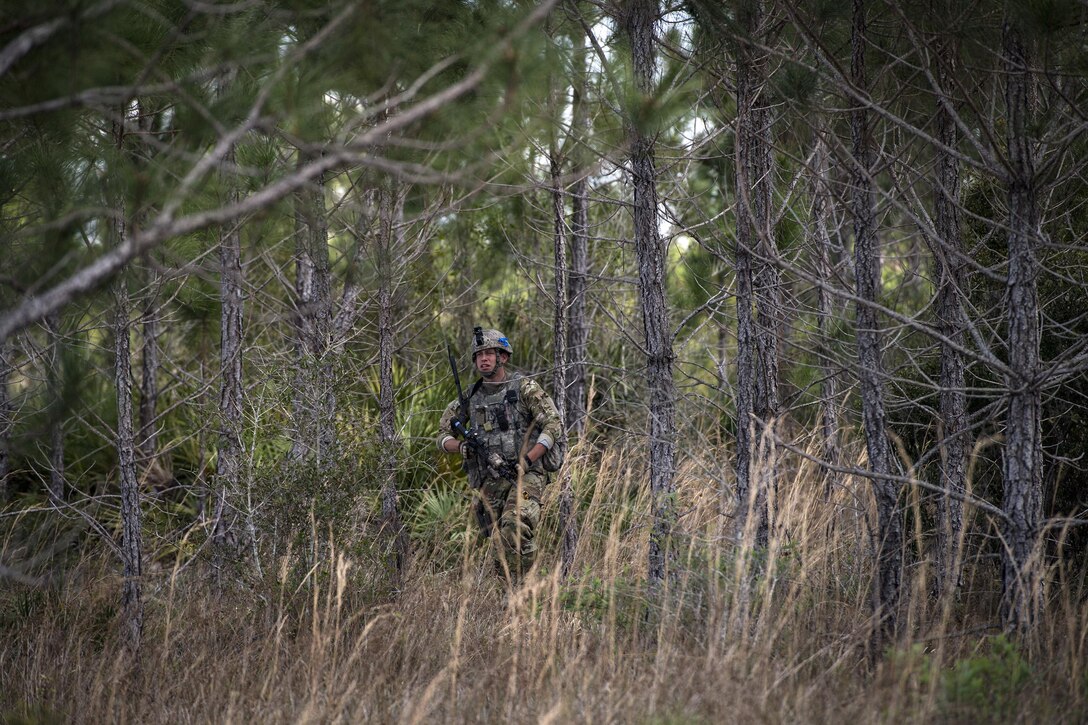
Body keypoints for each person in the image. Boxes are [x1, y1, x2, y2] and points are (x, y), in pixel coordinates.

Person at [438, 327, 562, 582]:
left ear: (502, 357)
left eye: (489, 353)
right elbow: (442, 436)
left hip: (527, 476)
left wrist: (527, 460)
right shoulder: (469, 398)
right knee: (499, 542)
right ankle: (510, 596)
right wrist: (460, 447)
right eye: (478, 355)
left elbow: (553, 424)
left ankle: (525, 591)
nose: (483, 358)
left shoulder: (525, 389)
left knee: (515, 527)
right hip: (491, 481)